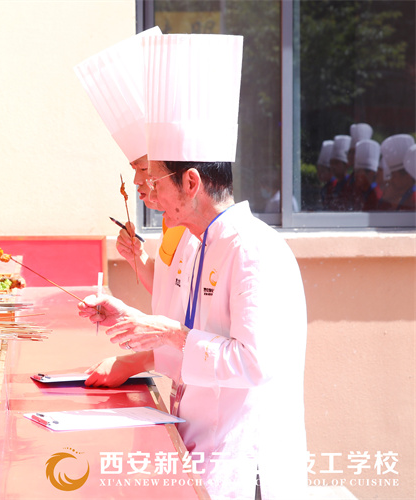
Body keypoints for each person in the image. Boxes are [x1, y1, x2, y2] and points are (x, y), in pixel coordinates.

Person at [78, 33, 307, 500]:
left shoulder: (253, 250)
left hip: (243, 463)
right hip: (198, 444)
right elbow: (183, 342)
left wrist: (164, 332)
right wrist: (133, 321)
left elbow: (252, 362)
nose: (146, 193)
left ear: (191, 181)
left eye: (153, 180)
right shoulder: (196, 242)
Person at [74, 29, 199, 392]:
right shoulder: (174, 221)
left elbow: (203, 339)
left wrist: (138, 359)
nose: (140, 183)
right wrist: (137, 259)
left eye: (146, 170)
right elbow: (168, 293)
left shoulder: (208, 234)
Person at [379, 134, 416, 210]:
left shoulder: (413, 200)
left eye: (394, 176)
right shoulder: (406, 197)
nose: (391, 180)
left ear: (407, 177)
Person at [350, 139, 382, 211]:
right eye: (355, 171)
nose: (355, 175)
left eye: (358, 172)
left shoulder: (376, 194)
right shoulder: (359, 190)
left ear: (371, 173)